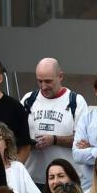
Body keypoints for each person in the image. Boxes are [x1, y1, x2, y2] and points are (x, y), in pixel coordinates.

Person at [22, 57, 84, 185]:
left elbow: (82, 142)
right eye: (40, 81)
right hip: (33, 179)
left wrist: (54, 140)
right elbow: (14, 134)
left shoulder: (76, 101)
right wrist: (29, 143)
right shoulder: (28, 99)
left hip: (66, 180)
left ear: (60, 76)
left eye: (48, 81)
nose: (43, 86)